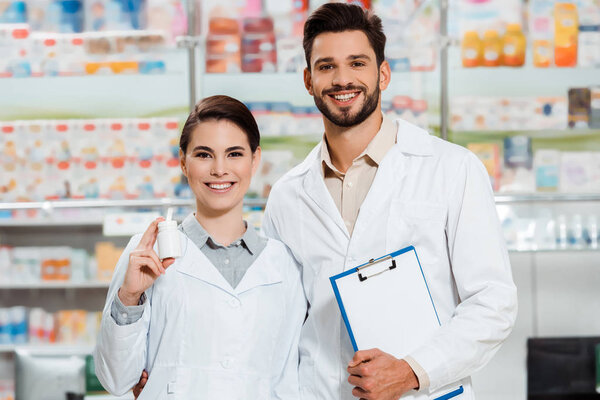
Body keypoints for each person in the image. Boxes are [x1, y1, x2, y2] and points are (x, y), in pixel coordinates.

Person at [261, 3, 517, 400]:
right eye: (326, 66)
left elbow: (493, 302)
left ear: (383, 74)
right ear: (309, 80)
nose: (342, 79)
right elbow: (277, 320)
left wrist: (412, 371)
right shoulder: (287, 195)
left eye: (357, 63)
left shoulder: (452, 169)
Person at [94, 95, 306, 399]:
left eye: (234, 154)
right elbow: (116, 381)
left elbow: (292, 379)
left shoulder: (284, 264)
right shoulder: (148, 253)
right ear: (183, 161)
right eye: (204, 155)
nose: (220, 169)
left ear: (255, 160)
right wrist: (129, 297)